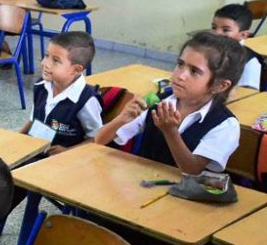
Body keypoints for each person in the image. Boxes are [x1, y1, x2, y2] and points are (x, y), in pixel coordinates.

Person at [96, 31, 243, 174]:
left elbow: (192, 169)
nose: (180, 75)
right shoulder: (159, 102)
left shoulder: (225, 125)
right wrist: (121, 119)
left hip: (186, 196)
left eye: (194, 71)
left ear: (220, 86)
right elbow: (99, 140)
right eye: (180, 64)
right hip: (142, 184)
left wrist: (170, 132)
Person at [20, 32, 102, 155]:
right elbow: (33, 120)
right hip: (35, 151)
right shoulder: (41, 86)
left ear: (76, 69)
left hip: (64, 161)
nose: (45, 64)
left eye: (56, 61)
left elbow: (97, 138)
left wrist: (68, 152)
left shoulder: (86, 100)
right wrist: (16, 138)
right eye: (46, 55)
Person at [210, 3, 262, 90]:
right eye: (214, 27)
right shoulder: (208, 49)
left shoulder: (249, 61)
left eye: (225, 30)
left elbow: (247, 95)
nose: (217, 33)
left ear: (243, 35)